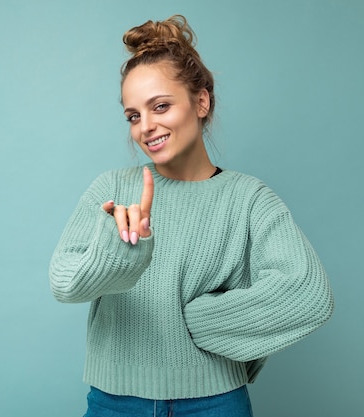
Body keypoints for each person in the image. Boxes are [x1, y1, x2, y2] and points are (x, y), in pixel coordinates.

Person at [49, 14, 333, 417]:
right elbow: (64, 282)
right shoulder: (111, 190)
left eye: (160, 106)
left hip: (215, 402)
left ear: (201, 102)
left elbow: (307, 294)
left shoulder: (248, 199)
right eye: (133, 115)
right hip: (116, 402)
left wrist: (200, 320)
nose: (146, 127)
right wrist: (123, 254)